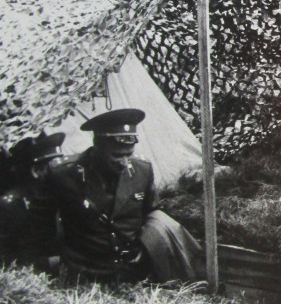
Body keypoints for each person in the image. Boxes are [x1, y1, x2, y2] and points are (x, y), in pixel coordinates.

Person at [38, 109, 202, 285]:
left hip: (132, 274)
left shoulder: (142, 170)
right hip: (83, 275)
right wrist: (49, 262)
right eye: (116, 155)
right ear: (97, 146)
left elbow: (152, 214)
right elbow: (41, 223)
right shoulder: (63, 174)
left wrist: (146, 248)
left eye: (128, 154)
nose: (124, 162)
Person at [0, 132, 63, 270]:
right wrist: (47, 263)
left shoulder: (64, 195)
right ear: (36, 170)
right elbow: (5, 259)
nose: (62, 172)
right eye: (53, 168)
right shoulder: (11, 206)